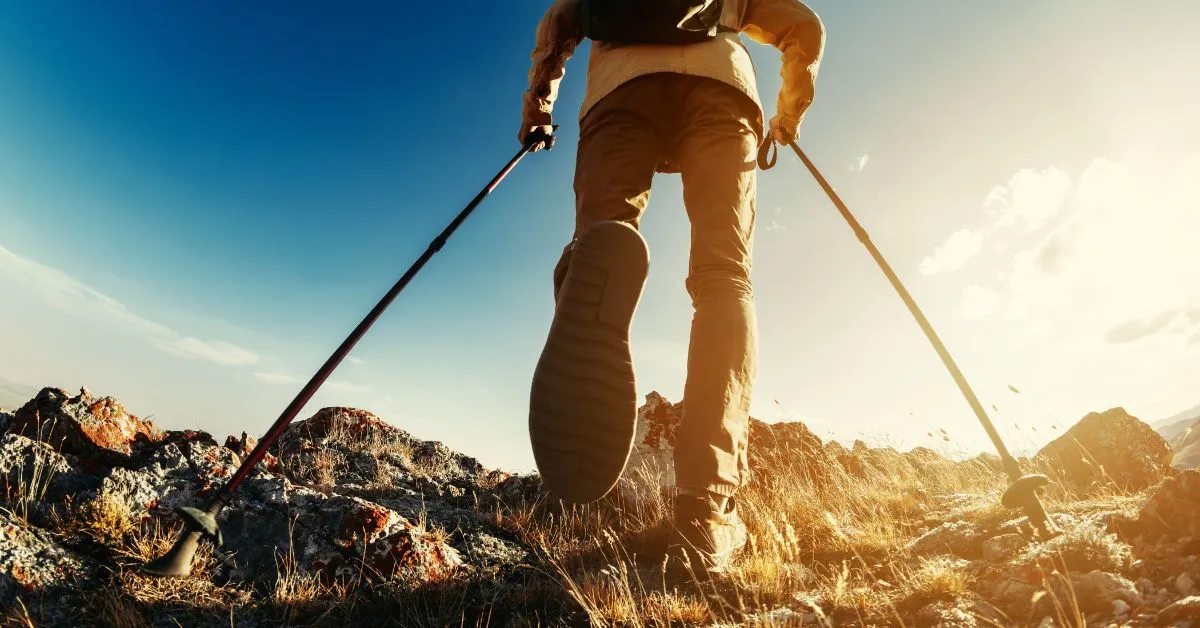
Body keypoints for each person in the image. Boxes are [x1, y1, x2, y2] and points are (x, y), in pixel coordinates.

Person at [521, 0, 825, 574]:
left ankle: (588, 281)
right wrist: (789, 113)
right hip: (720, 90)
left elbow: (558, 25)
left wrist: (538, 106)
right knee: (724, 279)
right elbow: (803, 27)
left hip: (619, 97)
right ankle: (705, 510)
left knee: (600, 244)